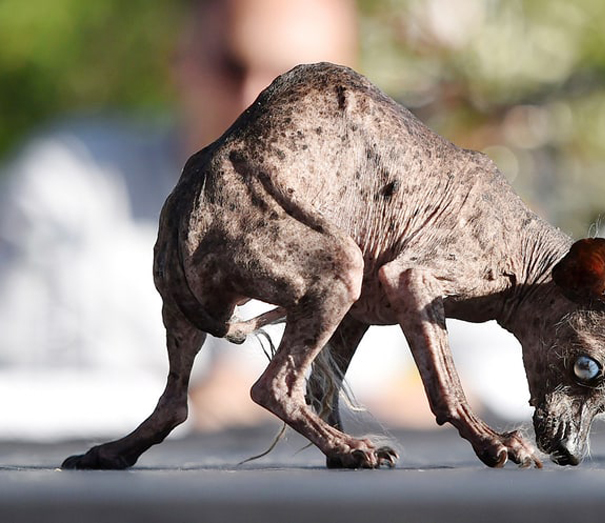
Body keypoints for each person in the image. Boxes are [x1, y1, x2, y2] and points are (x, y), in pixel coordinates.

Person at [0, 0, 359, 439]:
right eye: (231, 66)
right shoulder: (68, 186)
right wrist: (194, 404)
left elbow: (459, 380)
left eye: (293, 82)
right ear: (180, 58)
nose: (256, 99)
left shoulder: (396, 214)